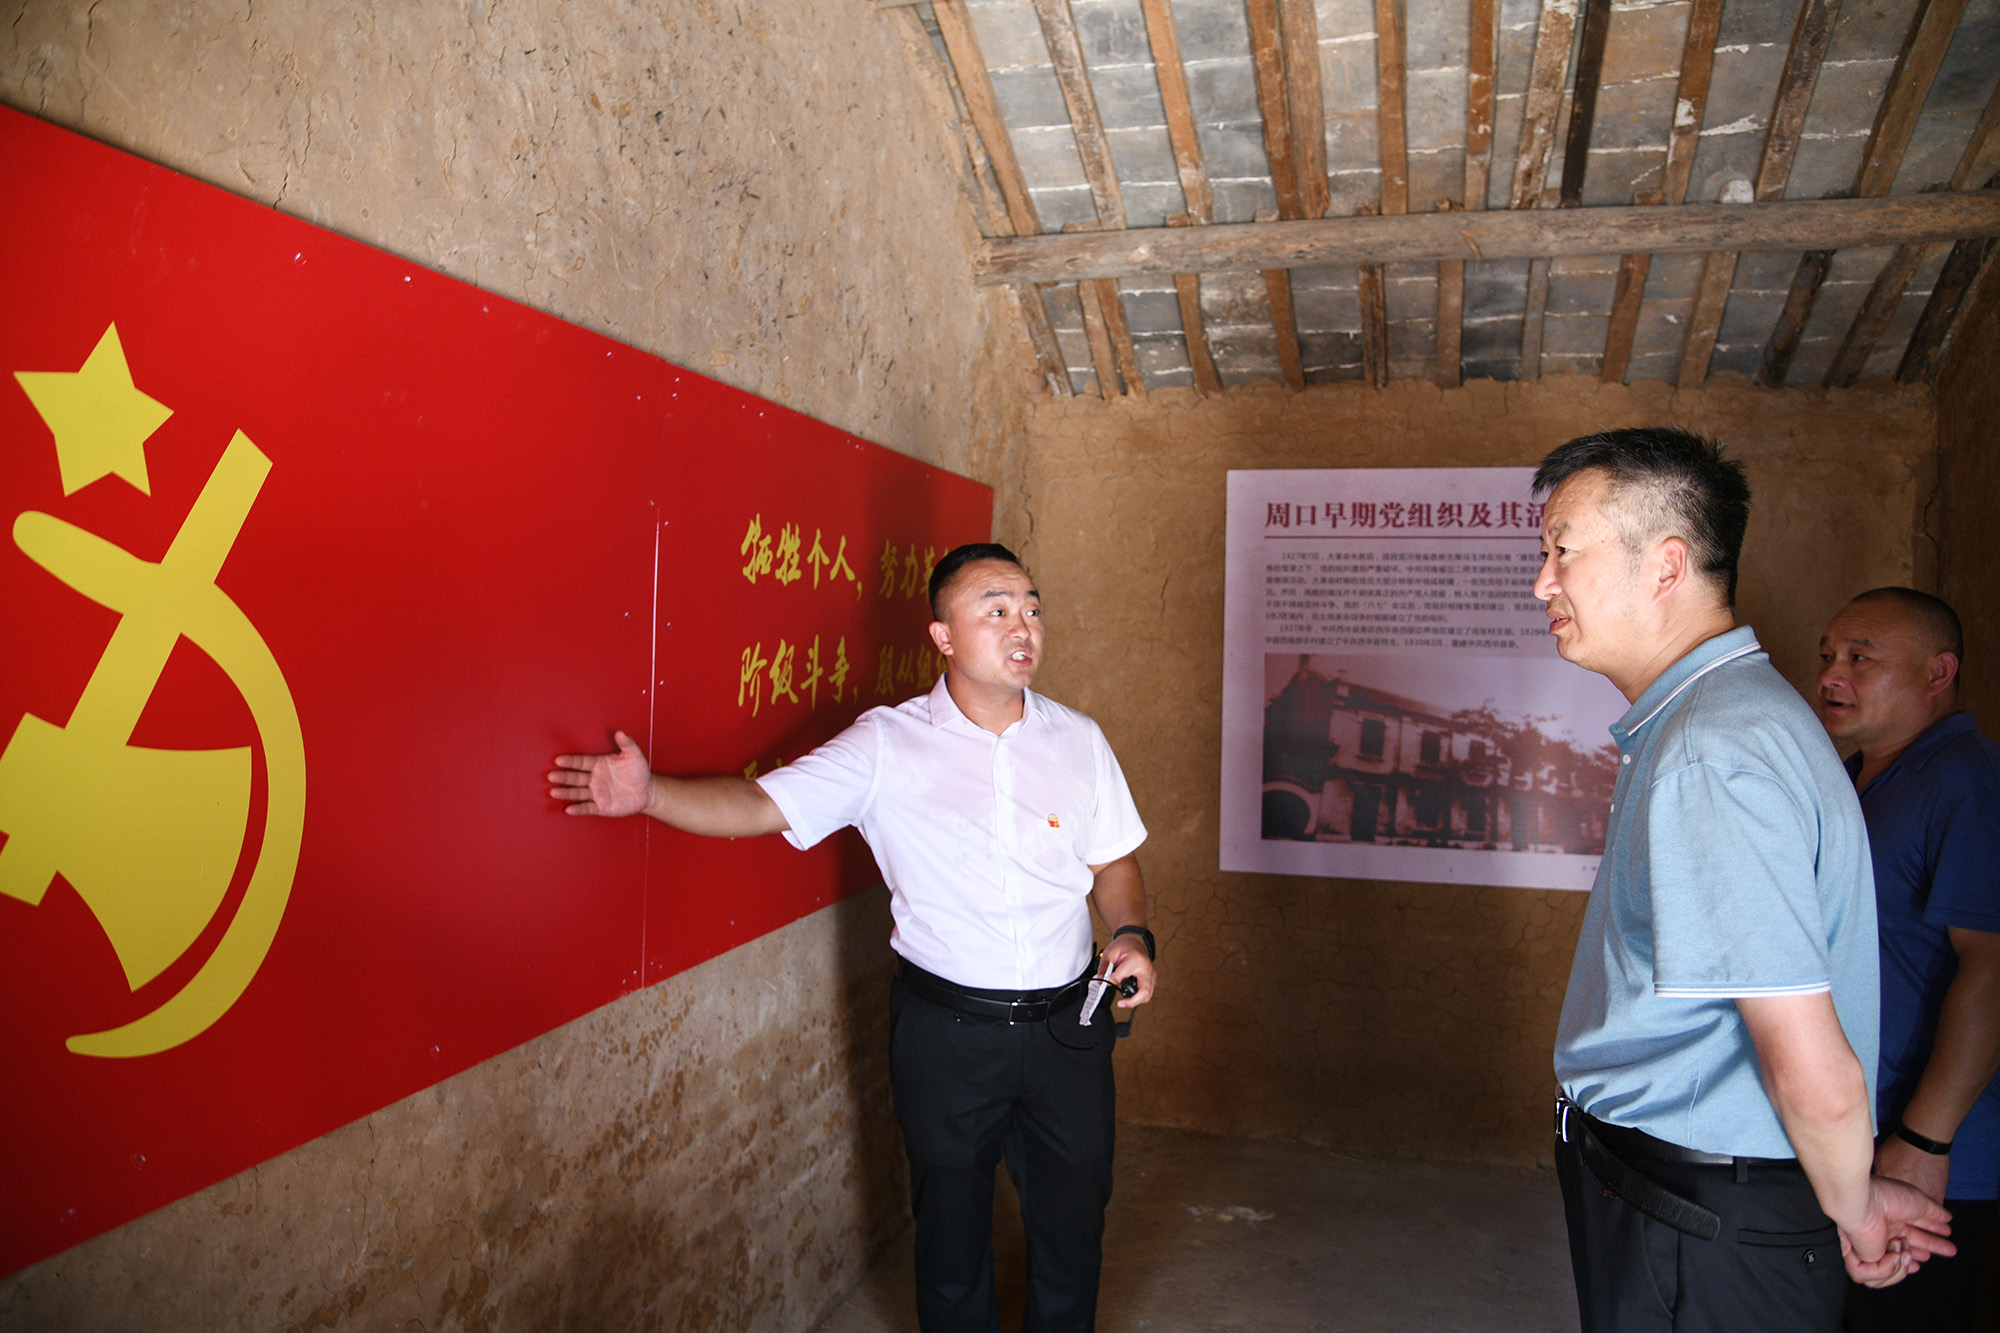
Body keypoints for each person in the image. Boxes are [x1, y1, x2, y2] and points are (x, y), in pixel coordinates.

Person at [547, 542, 1155, 1333]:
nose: (1023, 627)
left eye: (1033, 608)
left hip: (1068, 1027)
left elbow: (1113, 860)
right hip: (948, 1035)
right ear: (942, 636)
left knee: (1073, 1226)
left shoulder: (1079, 739)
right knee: (950, 1236)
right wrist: (651, 794)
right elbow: (761, 806)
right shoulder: (886, 745)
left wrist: (1131, 931)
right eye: (997, 609)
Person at [1532, 427, 1953, 1333]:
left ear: (1666, 564)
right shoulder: (1720, 715)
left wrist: (1856, 1207)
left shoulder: (1711, 750)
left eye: (1563, 551)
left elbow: (1809, 1064)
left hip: (1702, 1219)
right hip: (1691, 1200)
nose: (1543, 583)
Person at [1817, 587, 2000, 1331]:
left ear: (1938, 672)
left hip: (1934, 1158)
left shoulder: (1967, 779)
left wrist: (1925, 1139)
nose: (1832, 674)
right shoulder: (1857, 776)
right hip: (1857, 1141)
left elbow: (1991, 970)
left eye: (1861, 657)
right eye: (1828, 655)